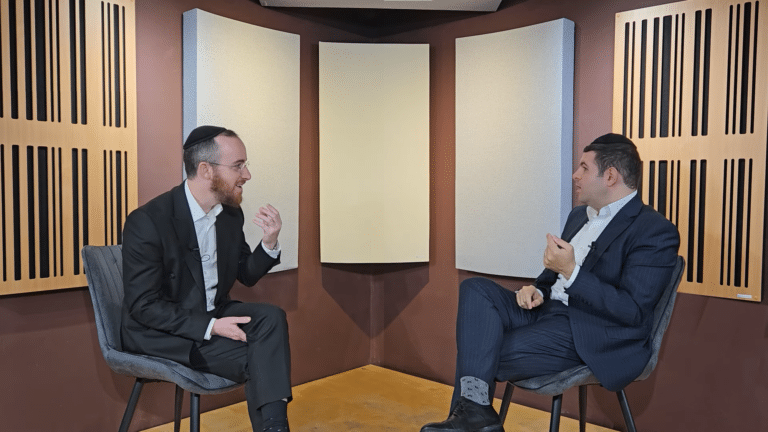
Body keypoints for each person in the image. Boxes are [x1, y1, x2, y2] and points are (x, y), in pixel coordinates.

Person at [421, 133, 680, 432]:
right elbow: (551, 276)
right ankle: (476, 417)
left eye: (584, 168)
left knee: (482, 351)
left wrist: (572, 271)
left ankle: (474, 419)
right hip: (547, 313)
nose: (575, 175)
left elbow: (632, 310)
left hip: (591, 330)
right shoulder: (578, 216)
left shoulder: (654, 230)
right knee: (475, 289)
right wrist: (538, 289)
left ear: (610, 176)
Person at [121, 126, 291, 432]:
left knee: (271, 318)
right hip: (164, 333)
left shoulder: (230, 215)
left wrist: (269, 242)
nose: (247, 175)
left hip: (212, 312)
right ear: (206, 170)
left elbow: (245, 274)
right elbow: (144, 306)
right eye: (238, 165)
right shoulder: (147, 221)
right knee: (261, 358)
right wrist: (211, 326)